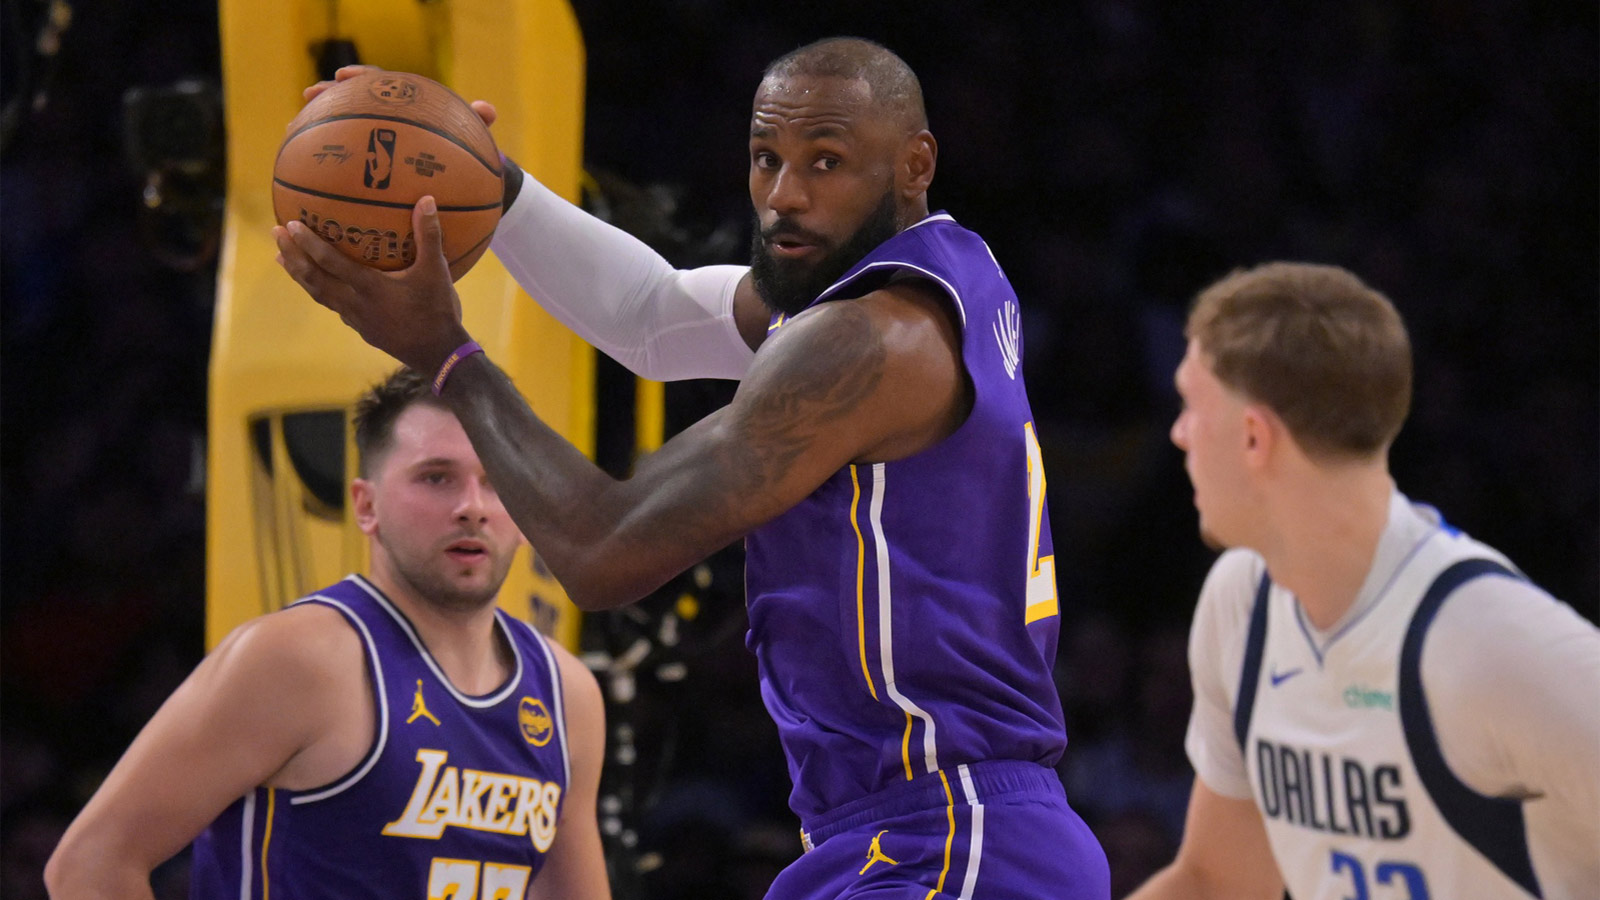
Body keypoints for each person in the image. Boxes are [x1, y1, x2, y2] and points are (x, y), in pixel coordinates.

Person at [276, 37, 1110, 900]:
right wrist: (493, 187)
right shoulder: (940, 274)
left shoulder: (871, 339)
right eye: (766, 158)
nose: (786, 195)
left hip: (951, 836)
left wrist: (446, 354)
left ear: (914, 163)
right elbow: (653, 316)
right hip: (900, 835)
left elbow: (602, 551)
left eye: (826, 161)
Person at [45, 368, 611, 900]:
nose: (471, 507)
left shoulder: (568, 693)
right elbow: (90, 863)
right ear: (366, 506)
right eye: (436, 477)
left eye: (496, 481)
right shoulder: (299, 658)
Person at [1128, 262, 1600, 899]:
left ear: (1252, 437)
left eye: (1190, 404)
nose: (1178, 434)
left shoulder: (1493, 640)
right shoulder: (1241, 602)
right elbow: (1219, 881)